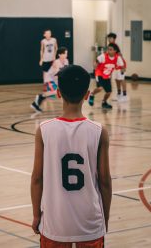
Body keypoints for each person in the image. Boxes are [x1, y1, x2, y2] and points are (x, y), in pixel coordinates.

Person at [31, 65, 112, 248]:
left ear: (58, 93)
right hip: (90, 223)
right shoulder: (99, 132)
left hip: (54, 223)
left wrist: (37, 215)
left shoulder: (44, 130)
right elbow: (105, 181)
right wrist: (105, 217)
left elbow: (37, 178)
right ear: (87, 94)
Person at [31, 47, 69, 112]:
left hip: (55, 79)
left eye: (66, 53)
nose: (66, 55)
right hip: (49, 79)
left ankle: (37, 101)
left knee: (57, 92)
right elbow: (56, 75)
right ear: (59, 55)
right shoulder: (56, 62)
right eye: (65, 53)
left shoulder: (66, 61)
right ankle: (39, 97)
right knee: (57, 92)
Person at [88, 43, 124, 109]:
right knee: (100, 88)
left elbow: (122, 66)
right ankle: (92, 94)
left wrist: (122, 70)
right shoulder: (103, 56)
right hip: (99, 74)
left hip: (107, 76)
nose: (108, 51)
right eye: (108, 49)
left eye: (110, 49)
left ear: (115, 51)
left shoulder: (117, 58)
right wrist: (95, 65)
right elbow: (96, 62)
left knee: (109, 92)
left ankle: (104, 102)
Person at [107, 33, 128, 101]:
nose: (109, 39)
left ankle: (124, 94)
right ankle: (119, 92)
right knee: (116, 79)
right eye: (108, 38)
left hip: (120, 65)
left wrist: (123, 67)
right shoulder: (109, 45)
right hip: (115, 66)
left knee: (122, 78)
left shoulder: (115, 46)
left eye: (111, 38)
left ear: (114, 39)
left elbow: (120, 55)